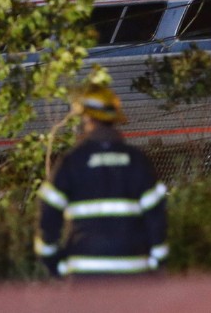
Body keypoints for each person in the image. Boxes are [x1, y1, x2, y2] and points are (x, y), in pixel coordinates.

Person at [35, 84, 168, 279]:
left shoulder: (72, 162)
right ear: (115, 118)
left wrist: (54, 262)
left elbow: (48, 215)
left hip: (84, 271)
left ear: (86, 118)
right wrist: (156, 261)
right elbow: (157, 216)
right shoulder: (137, 160)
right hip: (133, 270)